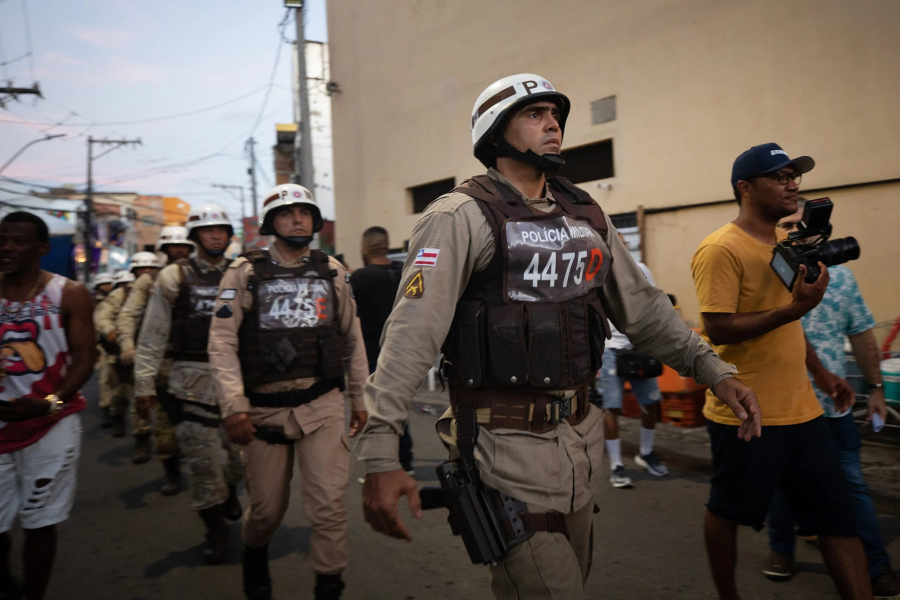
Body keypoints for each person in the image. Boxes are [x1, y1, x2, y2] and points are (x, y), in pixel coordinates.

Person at [359, 73, 760, 600]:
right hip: (501, 449)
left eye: (555, 115)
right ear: (495, 134)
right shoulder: (460, 217)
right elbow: (410, 338)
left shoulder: (585, 214)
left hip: (580, 438)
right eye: (535, 114)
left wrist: (713, 370)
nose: (553, 125)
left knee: (567, 580)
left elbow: (643, 310)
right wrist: (381, 455)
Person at [691, 142, 871, 600]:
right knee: (727, 511)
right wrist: (795, 310)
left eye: (795, 175)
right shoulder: (720, 249)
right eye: (780, 176)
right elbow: (719, 329)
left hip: (805, 412)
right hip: (746, 415)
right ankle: (728, 594)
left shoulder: (785, 246)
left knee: (837, 518)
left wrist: (824, 372)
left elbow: (786, 322)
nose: (793, 184)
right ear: (745, 189)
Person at [208, 184, 369, 600]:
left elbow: (352, 337)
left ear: (315, 221)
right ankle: (254, 553)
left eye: (305, 212)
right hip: (262, 411)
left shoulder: (332, 270)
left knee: (328, 506)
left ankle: (329, 584)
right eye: (287, 213)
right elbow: (222, 342)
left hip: (322, 404)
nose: (297, 219)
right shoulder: (243, 273)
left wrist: (361, 397)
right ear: (271, 224)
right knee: (266, 512)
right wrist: (234, 406)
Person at [762, 201, 900, 596]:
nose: (793, 232)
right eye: (786, 225)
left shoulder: (842, 278)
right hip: (782, 406)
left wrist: (876, 389)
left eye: (800, 226)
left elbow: (861, 332)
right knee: (784, 484)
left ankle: (876, 567)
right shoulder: (769, 275)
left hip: (833, 408)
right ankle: (780, 549)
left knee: (852, 487)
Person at [133, 204, 243, 564]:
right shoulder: (173, 277)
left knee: (237, 462)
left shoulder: (243, 273)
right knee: (201, 462)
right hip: (190, 382)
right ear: (195, 237)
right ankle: (215, 531)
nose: (215, 236)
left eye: (221, 230)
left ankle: (228, 493)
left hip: (238, 384)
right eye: (208, 231)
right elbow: (153, 332)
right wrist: (144, 384)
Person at [0, 212, 97, 600]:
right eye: (2, 240)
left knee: (40, 525)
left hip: (51, 424)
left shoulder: (67, 293)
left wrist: (49, 404)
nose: (7, 247)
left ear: (42, 248)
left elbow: (85, 358)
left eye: (18, 241)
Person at [117, 227, 192, 490]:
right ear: (164, 250)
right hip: (163, 362)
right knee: (164, 424)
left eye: (184, 246)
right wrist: (128, 347)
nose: (179, 251)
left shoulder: (206, 277)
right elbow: (128, 316)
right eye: (173, 247)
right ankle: (171, 472)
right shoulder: (148, 282)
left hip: (201, 363)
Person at [600, 234, 666, 488]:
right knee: (612, 409)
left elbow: (654, 303)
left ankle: (646, 452)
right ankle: (617, 465)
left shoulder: (642, 270)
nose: (622, 249)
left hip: (641, 349)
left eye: (624, 245)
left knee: (651, 404)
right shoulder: (597, 271)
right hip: (611, 351)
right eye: (617, 245)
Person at [349, 226, 413, 479]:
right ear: (387, 245)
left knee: (376, 411)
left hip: (372, 353)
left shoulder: (360, 278)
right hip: (405, 351)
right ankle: (405, 461)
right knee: (399, 407)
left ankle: (381, 466)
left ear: (366, 248)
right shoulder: (404, 271)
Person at [95, 260, 156, 441]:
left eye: (150, 268)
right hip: (122, 354)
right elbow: (103, 318)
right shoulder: (119, 295)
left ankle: (153, 439)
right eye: (142, 268)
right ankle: (126, 425)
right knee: (120, 394)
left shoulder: (159, 289)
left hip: (153, 352)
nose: (146, 272)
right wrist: (110, 331)